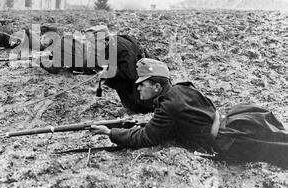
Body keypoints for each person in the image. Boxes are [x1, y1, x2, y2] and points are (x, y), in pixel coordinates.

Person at [91, 58, 288, 168]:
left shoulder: (168, 106)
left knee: (280, 153)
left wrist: (111, 133)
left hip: (233, 138)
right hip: (235, 120)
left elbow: (147, 138)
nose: (138, 89)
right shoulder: (180, 88)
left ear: (157, 86)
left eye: (142, 85)